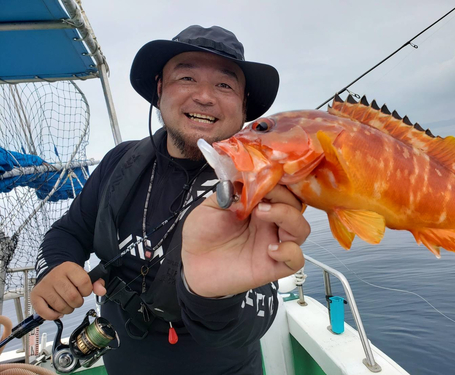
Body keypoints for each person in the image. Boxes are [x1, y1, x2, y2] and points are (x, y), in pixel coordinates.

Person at [31, 25, 310, 375]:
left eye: (224, 84)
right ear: (160, 90)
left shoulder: (258, 185)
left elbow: (252, 321)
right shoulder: (120, 162)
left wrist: (214, 296)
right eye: (187, 78)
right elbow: (68, 232)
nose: (205, 97)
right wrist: (55, 267)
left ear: (244, 106)